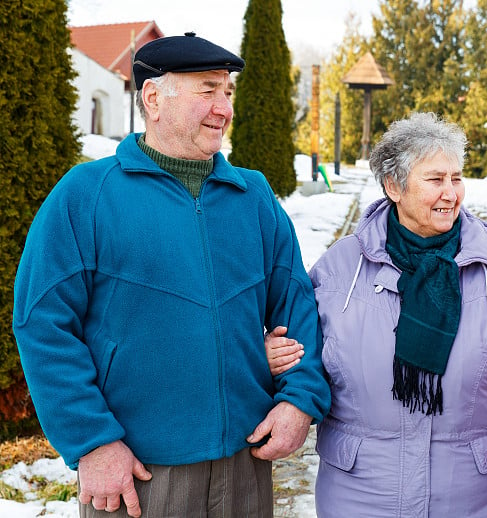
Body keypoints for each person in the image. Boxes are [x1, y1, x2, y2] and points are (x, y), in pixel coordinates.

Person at [13, 33, 330, 518]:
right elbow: (42, 324)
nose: (223, 108)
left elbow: (298, 304)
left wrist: (299, 401)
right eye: (208, 90)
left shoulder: (255, 197)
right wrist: (93, 442)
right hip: (137, 474)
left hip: (245, 464)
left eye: (227, 92)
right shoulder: (86, 195)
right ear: (154, 98)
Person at [266, 112, 487, 517]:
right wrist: (276, 355)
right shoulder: (341, 268)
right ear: (393, 186)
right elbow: (304, 353)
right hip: (360, 496)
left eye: (457, 178)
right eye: (435, 180)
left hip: (474, 498)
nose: (451, 193)